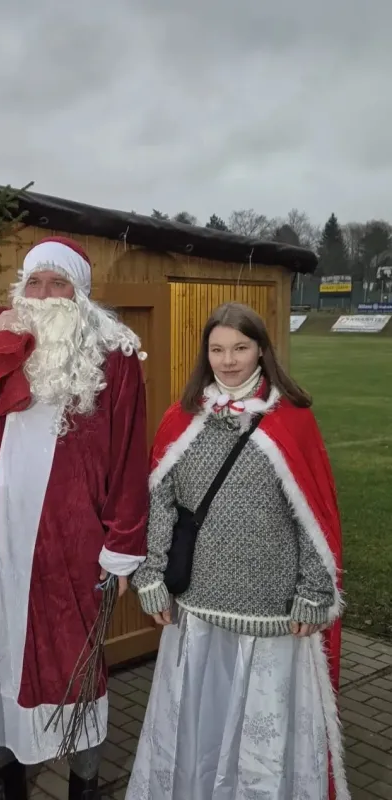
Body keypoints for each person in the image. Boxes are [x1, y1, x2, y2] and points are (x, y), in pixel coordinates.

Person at [0, 237, 149, 799]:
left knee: (77, 666)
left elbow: (127, 457)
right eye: (35, 283)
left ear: (81, 293)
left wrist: (121, 546)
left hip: (72, 547)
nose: (44, 295)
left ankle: (84, 781)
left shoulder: (113, 352)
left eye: (59, 283)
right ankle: (9, 777)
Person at [127, 302, 348, 800]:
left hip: (271, 611)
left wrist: (315, 590)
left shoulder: (291, 421)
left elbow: (313, 517)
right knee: (199, 725)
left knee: (260, 737)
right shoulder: (182, 418)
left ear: (262, 351)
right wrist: (150, 575)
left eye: (240, 348)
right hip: (198, 611)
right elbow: (161, 502)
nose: (228, 360)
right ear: (205, 354)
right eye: (218, 349)